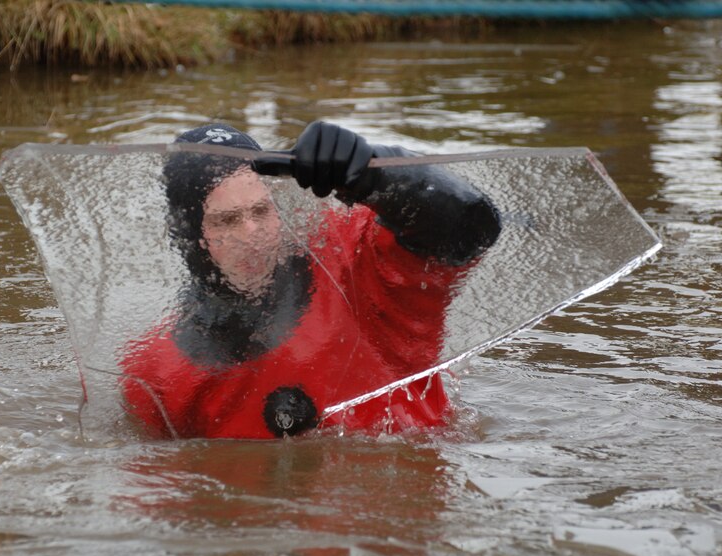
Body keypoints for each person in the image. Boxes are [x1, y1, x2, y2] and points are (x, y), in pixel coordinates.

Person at [120, 121, 501, 439]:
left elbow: (472, 227)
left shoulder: (354, 260)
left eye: (261, 210)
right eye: (227, 220)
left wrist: (375, 171)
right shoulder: (155, 369)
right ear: (188, 236)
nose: (253, 233)